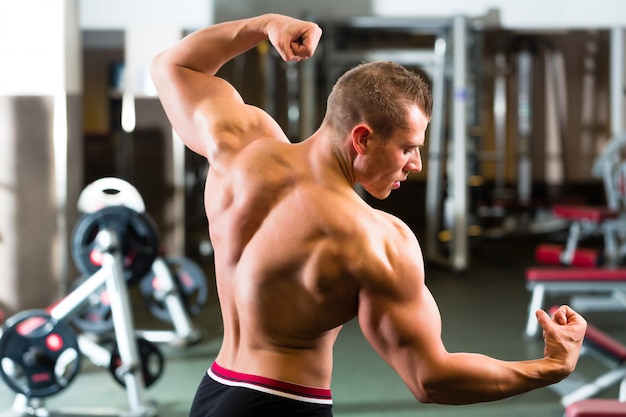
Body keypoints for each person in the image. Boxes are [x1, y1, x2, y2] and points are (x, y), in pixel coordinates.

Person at [151, 13, 587, 417]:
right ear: (362, 138)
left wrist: (265, 25)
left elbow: (174, 67)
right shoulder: (376, 239)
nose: (415, 164)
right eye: (407, 147)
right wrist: (550, 367)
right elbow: (430, 377)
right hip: (284, 404)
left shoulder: (241, 149)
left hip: (213, 392)